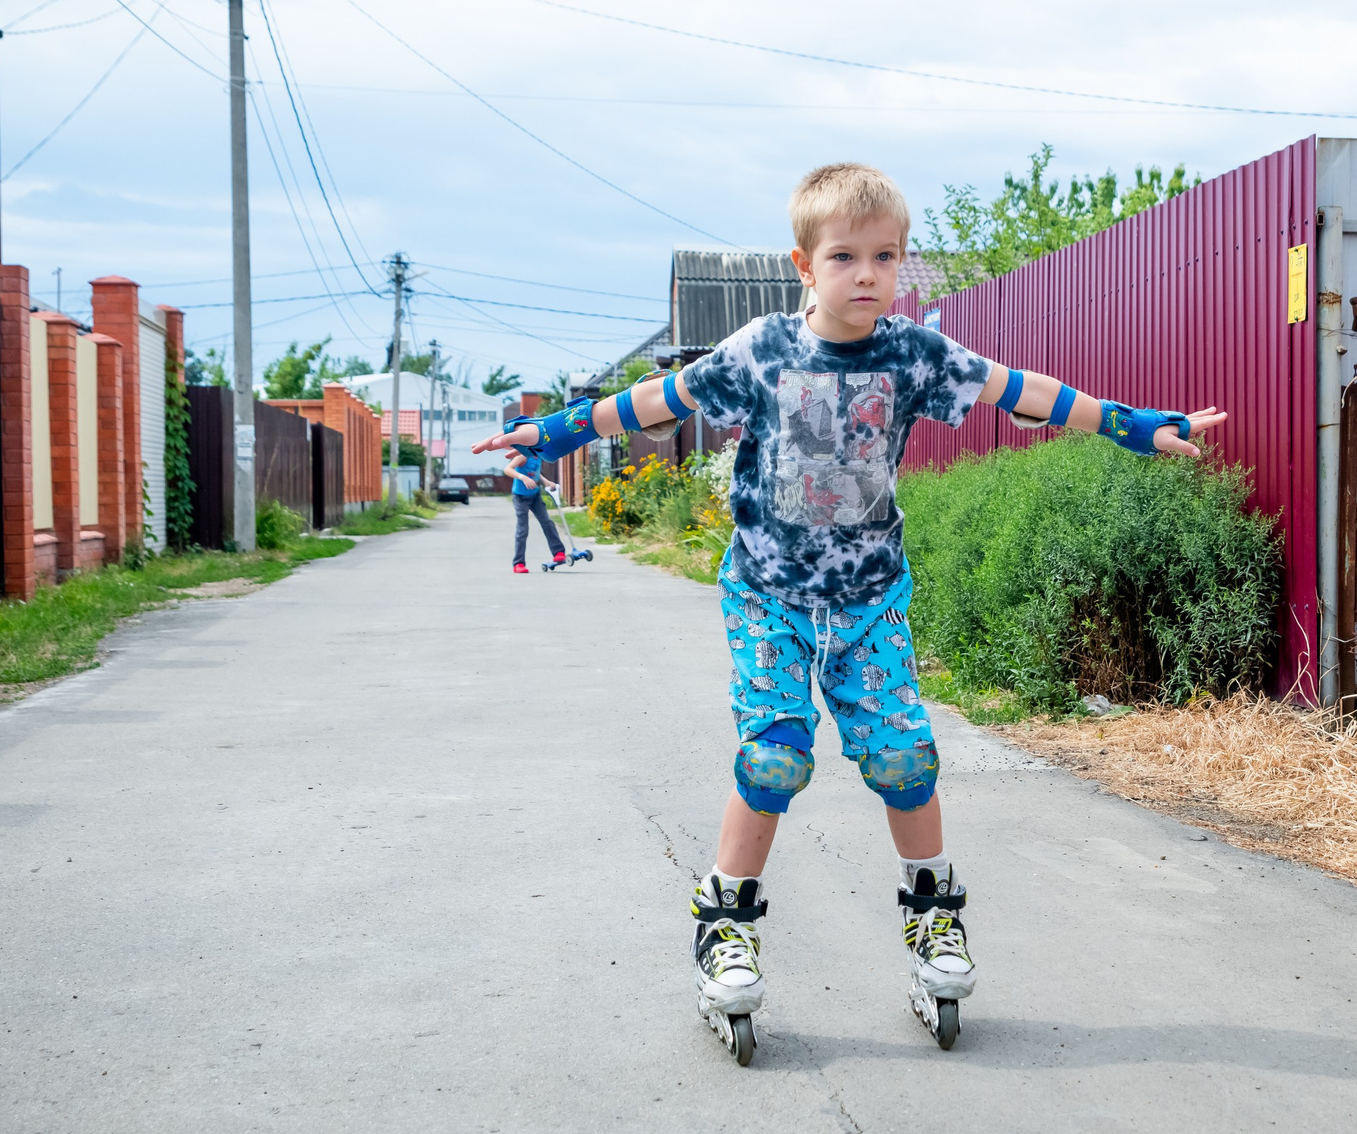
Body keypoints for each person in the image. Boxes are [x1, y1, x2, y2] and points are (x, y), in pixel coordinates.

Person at [474, 162, 1222, 1062]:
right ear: (804, 263)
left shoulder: (914, 353)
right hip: (769, 595)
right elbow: (654, 402)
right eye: (844, 256)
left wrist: (1132, 424)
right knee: (776, 755)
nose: (866, 273)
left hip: (870, 601)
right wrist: (552, 432)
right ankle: (726, 922)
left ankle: (933, 914)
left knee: (905, 756)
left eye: (885, 256)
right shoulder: (759, 350)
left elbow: (1021, 389)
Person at [506, 446, 568, 574]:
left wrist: (546, 481)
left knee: (547, 522)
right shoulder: (523, 455)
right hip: (520, 497)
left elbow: (535, 472)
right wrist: (523, 477)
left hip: (535, 495)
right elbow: (507, 469)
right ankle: (518, 563)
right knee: (522, 529)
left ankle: (558, 552)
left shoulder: (539, 456)